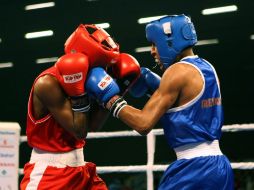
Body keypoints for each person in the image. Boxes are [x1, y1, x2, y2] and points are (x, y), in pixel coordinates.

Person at [85, 14, 234, 189]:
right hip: (219, 167)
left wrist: (109, 98)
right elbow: (188, 106)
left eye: (155, 44)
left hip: (194, 169)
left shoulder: (176, 72)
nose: (152, 51)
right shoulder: (207, 67)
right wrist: (153, 87)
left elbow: (143, 124)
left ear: (170, 41)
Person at [20, 24, 122, 190]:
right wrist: (78, 94)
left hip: (80, 168)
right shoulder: (48, 83)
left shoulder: (88, 80)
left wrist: (114, 92)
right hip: (50, 175)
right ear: (85, 58)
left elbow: (93, 126)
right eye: (102, 64)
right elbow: (79, 131)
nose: (104, 70)